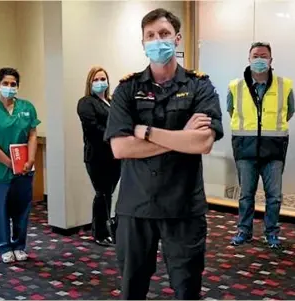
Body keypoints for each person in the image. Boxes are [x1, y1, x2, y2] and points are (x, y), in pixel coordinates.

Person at [104, 8, 223, 300]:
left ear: (177, 38)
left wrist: (144, 132)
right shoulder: (127, 89)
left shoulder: (199, 86)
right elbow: (120, 148)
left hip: (183, 206)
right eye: (151, 36)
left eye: (165, 34)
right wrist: (183, 136)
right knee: (133, 287)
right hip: (136, 206)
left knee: (187, 289)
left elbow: (203, 143)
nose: (158, 41)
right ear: (143, 42)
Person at [227, 42, 295, 249]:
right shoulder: (235, 86)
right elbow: (231, 111)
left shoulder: (285, 85)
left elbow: (289, 112)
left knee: (274, 196)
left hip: (273, 149)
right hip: (245, 149)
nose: (259, 60)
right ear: (248, 59)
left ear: (271, 60)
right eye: (255, 55)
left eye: (263, 56)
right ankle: (244, 231)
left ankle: (271, 233)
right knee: (246, 195)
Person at [0, 67, 40, 263]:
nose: (9, 87)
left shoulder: (27, 108)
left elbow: (32, 135)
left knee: (22, 210)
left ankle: (19, 245)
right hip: (0, 170)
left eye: (13, 84)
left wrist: (30, 160)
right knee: (2, 210)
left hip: (24, 169)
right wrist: (8, 162)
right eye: (5, 83)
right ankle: (4, 246)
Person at [77, 66, 121, 246]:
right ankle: (100, 232)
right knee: (102, 193)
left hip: (115, 156)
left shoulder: (112, 101)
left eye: (103, 79)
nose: (100, 82)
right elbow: (92, 128)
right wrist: (114, 137)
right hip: (97, 156)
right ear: (90, 83)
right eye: (96, 79)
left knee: (109, 194)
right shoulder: (86, 102)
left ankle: (106, 229)